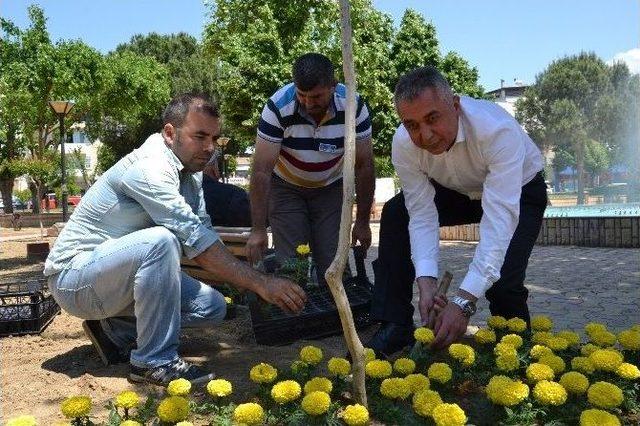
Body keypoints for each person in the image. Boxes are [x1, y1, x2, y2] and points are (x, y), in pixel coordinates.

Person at [44, 94, 306, 386]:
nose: (210, 148)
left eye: (215, 138)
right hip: (74, 279)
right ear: (170, 133)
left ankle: (115, 330)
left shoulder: (190, 173)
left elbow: (203, 230)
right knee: (161, 241)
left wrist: (248, 279)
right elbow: (195, 241)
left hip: (113, 280)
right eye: (200, 136)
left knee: (213, 307)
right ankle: (154, 361)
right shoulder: (149, 168)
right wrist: (260, 283)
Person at [367, 66, 547, 357]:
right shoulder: (403, 143)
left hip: (521, 190)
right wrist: (425, 283)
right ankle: (396, 325)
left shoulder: (496, 130)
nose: (424, 135)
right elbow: (421, 213)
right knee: (397, 212)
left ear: (455, 104)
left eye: (432, 118)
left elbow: (498, 222)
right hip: (458, 190)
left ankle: (515, 350)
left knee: (503, 281)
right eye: (412, 124)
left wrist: (463, 301)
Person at [246, 53, 375, 284]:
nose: (308, 103)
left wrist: (363, 221)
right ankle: (295, 317)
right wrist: (257, 229)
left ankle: (334, 318)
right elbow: (261, 170)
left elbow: (364, 166)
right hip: (286, 189)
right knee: (291, 265)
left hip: (331, 188)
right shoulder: (277, 107)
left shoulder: (354, 107)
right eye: (301, 95)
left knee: (334, 263)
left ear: (333, 87)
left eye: (316, 96)